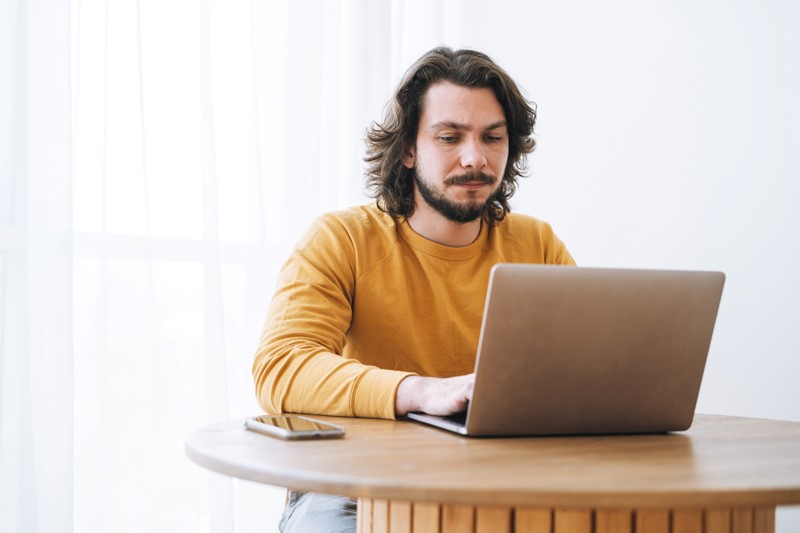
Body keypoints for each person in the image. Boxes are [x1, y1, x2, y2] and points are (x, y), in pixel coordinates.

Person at [252, 46, 575, 532]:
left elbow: (583, 370)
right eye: (450, 137)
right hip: (355, 490)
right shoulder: (342, 239)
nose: (475, 157)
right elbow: (281, 368)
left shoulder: (537, 244)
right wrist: (419, 391)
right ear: (407, 149)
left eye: (493, 137)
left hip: (498, 487)